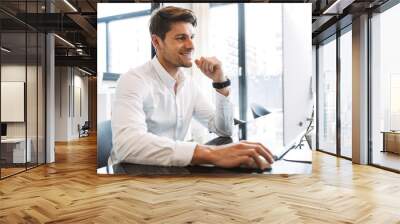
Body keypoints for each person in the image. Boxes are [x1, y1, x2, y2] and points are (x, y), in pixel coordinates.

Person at [109, 6, 274, 169]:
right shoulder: (133, 80)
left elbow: (223, 130)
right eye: (181, 38)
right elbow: (127, 145)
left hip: (170, 170)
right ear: (156, 42)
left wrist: (220, 82)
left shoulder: (188, 83)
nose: (191, 45)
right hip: (130, 173)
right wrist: (212, 154)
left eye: (191, 37)